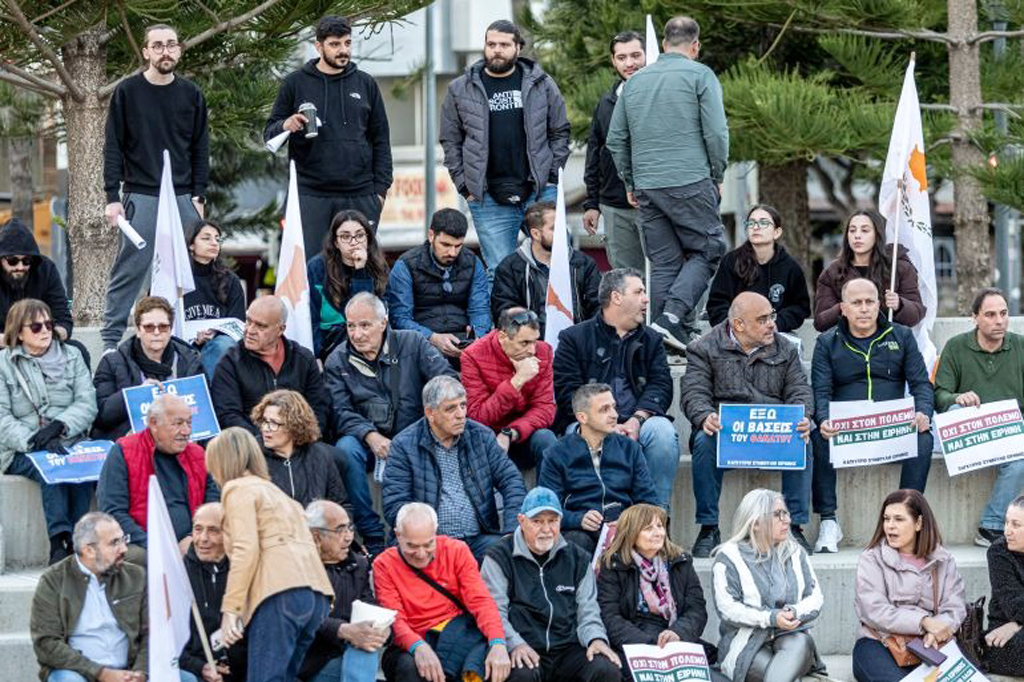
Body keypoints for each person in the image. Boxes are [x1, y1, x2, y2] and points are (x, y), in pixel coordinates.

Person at [605, 16, 728, 352]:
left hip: (647, 185)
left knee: (664, 262)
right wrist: (716, 174)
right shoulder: (701, 74)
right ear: (695, 45)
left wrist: (630, 179)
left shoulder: (634, 83)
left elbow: (616, 140)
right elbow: (716, 133)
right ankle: (670, 318)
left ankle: (658, 342)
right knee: (709, 249)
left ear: (663, 43)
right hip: (690, 179)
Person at [681, 292, 814, 557]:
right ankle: (708, 528)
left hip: (773, 432)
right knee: (704, 441)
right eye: (763, 319)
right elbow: (694, 393)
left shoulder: (785, 347)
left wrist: (805, 416)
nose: (772, 325)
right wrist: (705, 415)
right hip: (730, 433)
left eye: (772, 316)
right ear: (739, 325)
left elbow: (800, 390)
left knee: (803, 437)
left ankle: (794, 525)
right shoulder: (704, 347)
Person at [102, 23, 208, 351]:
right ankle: (109, 340)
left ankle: (185, 337)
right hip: (142, 193)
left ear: (178, 50)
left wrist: (199, 195)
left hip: (182, 196)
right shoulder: (127, 92)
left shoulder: (191, 94)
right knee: (132, 266)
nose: (165, 51)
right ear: (146, 52)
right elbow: (113, 146)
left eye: (171, 44)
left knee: (186, 269)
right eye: (158, 45)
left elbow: (200, 147)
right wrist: (111, 197)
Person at [326, 292, 454, 554]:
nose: (357, 334)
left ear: (383, 322)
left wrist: (423, 429)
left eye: (365, 325)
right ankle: (372, 534)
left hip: (417, 436)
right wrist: (369, 435)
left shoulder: (413, 343)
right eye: (351, 326)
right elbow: (339, 410)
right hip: (368, 443)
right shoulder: (337, 360)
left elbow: (447, 381)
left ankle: (427, 530)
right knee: (345, 449)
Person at [440, 19, 570, 276]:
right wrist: (465, 187)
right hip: (488, 197)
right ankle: (511, 318)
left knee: (557, 264)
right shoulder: (459, 89)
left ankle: (556, 317)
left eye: (504, 44)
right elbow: (450, 141)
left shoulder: (542, 83)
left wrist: (553, 176)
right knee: (501, 272)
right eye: (491, 44)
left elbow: (559, 131)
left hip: (539, 191)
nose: (496, 50)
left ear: (518, 48)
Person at [811, 278, 933, 554]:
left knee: (924, 439)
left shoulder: (901, 336)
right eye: (856, 303)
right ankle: (828, 520)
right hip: (847, 431)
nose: (864, 308)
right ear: (843, 308)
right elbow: (820, 391)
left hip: (890, 429)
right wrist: (823, 419)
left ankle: (906, 516)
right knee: (818, 437)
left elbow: (921, 384)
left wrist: (923, 412)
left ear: (879, 304)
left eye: (869, 302)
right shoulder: (827, 342)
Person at [206, 427, 335, 682]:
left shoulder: (237, 489)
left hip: (280, 594)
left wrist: (230, 610)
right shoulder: (282, 496)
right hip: (316, 596)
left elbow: (246, 549)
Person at [264, 15, 392, 257]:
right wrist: (286, 124)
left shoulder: (366, 84)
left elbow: (381, 140)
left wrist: (380, 193)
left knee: (359, 266)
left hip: (360, 193)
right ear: (319, 46)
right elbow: (269, 134)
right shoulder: (295, 83)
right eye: (335, 44)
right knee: (312, 269)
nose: (343, 50)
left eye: (347, 43)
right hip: (310, 193)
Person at [552, 268, 679, 508]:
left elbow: (661, 385)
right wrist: (605, 424)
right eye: (639, 291)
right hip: (588, 422)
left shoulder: (651, 339)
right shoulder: (574, 338)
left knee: (662, 432)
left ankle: (656, 516)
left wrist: (636, 420)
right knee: (577, 435)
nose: (646, 298)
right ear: (616, 297)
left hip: (638, 422)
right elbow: (568, 393)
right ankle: (591, 517)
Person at [479, 487, 621, 682]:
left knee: (606, 669)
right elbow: (495, 612)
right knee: (521, 675)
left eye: (552, 521)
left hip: (567, 648)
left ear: (561, 521)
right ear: (521, 520)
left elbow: (588, 610)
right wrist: (515, 644)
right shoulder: (499, 557)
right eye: (537, 521)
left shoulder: (578, 558)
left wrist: (595, 639)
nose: (546, 529)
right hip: (524, 646)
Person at [382, 375, 526, 561]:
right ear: (430, 413)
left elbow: (512, 481)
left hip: (478, 539)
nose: (460, 414)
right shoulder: (404, 445)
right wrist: (424, 538)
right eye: (451, 408)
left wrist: (510, 531)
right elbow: (395, 504)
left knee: (510, 554)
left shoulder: (481, 436)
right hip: (429, 543)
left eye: (463, 405)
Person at [0, 298, 97, 564]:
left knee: (79, 464)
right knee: (50, 466)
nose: (45, 331)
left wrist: (60, 426)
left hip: (69, 437)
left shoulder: (73, 355)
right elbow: (2, 417)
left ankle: (78, 539)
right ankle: (59, 541)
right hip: (21, 447)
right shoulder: (3, 363)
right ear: (19, 332)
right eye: (36, 326)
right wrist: (34, 440)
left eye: (49, 324)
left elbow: (87, 401)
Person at [373, 502, 512, 682]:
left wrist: (498, 642)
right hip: (411, 640)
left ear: (435, 532)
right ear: (398, 535)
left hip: (457, 632)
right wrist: (418, 646)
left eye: (428, 544)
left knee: (502, 666)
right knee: (410, 667)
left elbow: (481, 602)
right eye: (412, 546)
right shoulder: (384, 565)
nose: (421, 554)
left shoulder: (457, 551)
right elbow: (395, 620)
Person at [933, 288, 1024, 547]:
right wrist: (957, 397)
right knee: (954, 410)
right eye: (991, 314)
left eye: (1004, 314)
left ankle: (991, 526)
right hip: (971, 428)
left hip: (1010, 429)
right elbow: (940, 395)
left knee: (1019, 462)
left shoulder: (1020, 345)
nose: (999, 321)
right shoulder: (957, 346)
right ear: (974, 317)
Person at [852, 489, 967, 682]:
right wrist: (923, 622)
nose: (890, 526)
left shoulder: (943, 559)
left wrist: (937, 630)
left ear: (919, 523)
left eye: (898, 519)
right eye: (886, 519)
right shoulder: (871, 559)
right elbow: (874, 610)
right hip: (880, 643)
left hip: (931, 645)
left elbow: (955, 606)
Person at [711, 489, 823, 682]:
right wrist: (770, 618)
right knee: (782, 676)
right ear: (755, 523)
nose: (786, 520)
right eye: (778, 515)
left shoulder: (796, 552)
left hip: (791, 637)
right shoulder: (729, 557)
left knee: (800, 642)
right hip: (745, 644)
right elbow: (727, 608)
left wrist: (793, 612)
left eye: (786, 513)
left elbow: (815, 597)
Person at [597, 503, 714, 680]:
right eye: (648, 528)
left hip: (674, 636)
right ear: (631, 533)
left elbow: (696, 609)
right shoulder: (614, 565)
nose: (658, 532)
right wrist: (649, 644)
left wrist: (678, 633)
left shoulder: (680, 561)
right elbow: (609, 617)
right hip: (635, 639)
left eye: (659, 526)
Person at [30, 513, 150, 682]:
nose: (124, 549)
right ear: (89, 550)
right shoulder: (54, 580)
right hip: (79, 672)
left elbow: (151, 634)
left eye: (124, 540)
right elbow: (46, 643)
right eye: (115, 543)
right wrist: (100, 673)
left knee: (185, 678)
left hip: (129, 671)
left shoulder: (136, 576)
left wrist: (140, 673)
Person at [539, 383, 659, 553]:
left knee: (656, 544)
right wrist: (578, 519)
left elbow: (648, 501)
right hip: (580, 531)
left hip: (622, 528)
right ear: (582, 417)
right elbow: (547, 509)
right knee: (574, 542)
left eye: (614, 407)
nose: (615, 415)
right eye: (604, 409)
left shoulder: (629, 448)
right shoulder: (556, 454)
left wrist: (628, 521)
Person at [97, 392, 219, 556]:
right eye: (178, 424)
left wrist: (194, 536)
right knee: (136, 557)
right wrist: (155, 546)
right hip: (141, 543)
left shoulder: (198, 454)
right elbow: (112, 510)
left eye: (189, 423)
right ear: (153, 423)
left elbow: (213, 504)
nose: (186, 431)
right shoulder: (124, 451)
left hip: (193, 541)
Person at [211, 295, 330, 437]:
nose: (250, 330)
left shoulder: (303, 359)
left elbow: (318, 409)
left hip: (299, 444)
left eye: (261, 326)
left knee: (338, 456)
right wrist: (267, 440)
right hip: (253, 448)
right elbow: (228, 416)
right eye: (248, 321)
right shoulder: (229, 362)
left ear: (280, 329)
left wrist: (299, 440)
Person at [386, 208, 491, 364]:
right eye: (446, 244)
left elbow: (480, 309)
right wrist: (432, 337)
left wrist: (477, 335)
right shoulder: (405, 265)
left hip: (464, 342)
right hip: (421, 344)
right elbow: (400, 318)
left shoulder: (473, 263)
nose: (452, 252)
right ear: (431, 236)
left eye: (458, 245)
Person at [92, 295, 203, 440]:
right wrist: (136, 395)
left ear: (170, 330)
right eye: (149, 327)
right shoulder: (112, 362)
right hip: (134, 444)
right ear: (138, 330)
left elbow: (203, 413)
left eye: (163, 327)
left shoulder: (190, 360)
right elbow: (101, 417)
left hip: (182, 442)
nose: (157, 332)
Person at [582, 32, 647, 274]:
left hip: (654, 204)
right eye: (622, 57)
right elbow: (594, 152)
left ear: (648, 56)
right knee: (626, 279)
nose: (629, 63)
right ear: (613, 61)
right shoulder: (606, 103)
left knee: (663, 276)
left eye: (635, 55)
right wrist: (592, 203)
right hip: (614, 207)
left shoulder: (662, 97)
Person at [461, 308, 558, 470]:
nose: (532, 350)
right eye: (525, 343)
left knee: (546, 438)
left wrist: (511, 432)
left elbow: (545, 408)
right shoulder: (473, 356)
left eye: (535, 341)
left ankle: (548, 495)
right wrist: (517, 381)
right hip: (488, 438)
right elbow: (477, 417)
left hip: (524, 433)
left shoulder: (544, 351)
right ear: (502, 337)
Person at [300, 500, 385, 682]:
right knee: (362, 651)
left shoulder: (358, 564)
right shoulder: (298, 567)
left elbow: (367, 604)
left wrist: (380, 628)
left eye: (349, 528)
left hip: (347, 653)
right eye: (340, 530)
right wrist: (343, 630)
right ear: (316, 536)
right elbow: (303, 617)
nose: (348, 537)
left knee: (366, 646)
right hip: (309, 663)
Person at [490, 201, 601, 335]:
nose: (563, 233)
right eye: (554, 228)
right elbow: (506, 312)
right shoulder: (510, 267)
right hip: (531, 345)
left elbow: (598, 306)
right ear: (536, 234)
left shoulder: (583, 263)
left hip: (577, 344)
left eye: (563, 226)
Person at [813, 209, 925, 332]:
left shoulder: (899, 267)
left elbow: (917, 314)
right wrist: (843, 308)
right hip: (846, 345)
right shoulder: (833, 271)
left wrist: (899, 305)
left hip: (889, 343)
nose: (857, 235)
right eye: (852, 230)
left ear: (877, 234)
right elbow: (820, 323)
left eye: (865, 230)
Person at [705, 205, 810, 333]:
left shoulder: (790, 267)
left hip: (774, 334)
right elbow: (717, 304)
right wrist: (734, 329)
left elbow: (800, 307)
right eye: (751, 222)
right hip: (737, 336)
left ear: (777, 232)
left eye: (763, 222)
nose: (756, 227)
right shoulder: (731, 262)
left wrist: (777, 324)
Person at [307, 210, 389, 360]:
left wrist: (361, 271)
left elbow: (366, 314)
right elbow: (311, 317)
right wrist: (318, 355)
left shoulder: (377, 266)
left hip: (370, 345)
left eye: (359, 235)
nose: (353, 242)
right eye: (345, 237)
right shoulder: (317, 267)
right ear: (336, 242)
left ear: (368, 238)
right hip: (330, 348)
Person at [181, 503, 248, 682]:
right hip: (195, 672)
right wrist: (199, 667)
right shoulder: (178, 574)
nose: (203, 538)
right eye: (198, 529)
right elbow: (163, 640)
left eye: (213, 530)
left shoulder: (242, 573)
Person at [251, 389, 346, 507]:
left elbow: (341, 504)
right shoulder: (252, 456)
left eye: (274, 423)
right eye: (264, 421)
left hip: (313, 525)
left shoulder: (319, 455)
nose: (266, 428)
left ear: (294, 426)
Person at [0, 218, 76, 349]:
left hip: (41, 344)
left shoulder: (45, 269)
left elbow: (64, 320)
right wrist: (16, 340)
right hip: (3, 344)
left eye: (27, 260)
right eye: (12, 261)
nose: (20, 266)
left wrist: (47, 336)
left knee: (77, 349)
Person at [183, 221, 246, 378]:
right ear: (191, 244)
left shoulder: (230, 280)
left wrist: (215, 333)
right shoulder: (176, 278)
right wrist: (191, 338)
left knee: (223, 345)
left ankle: (214, 397)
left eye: (217, 239)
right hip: (183, 341)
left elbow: (237, 322)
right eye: (206, 238)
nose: (214, 243)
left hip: (218, 343)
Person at [983, 494, 1024, 675]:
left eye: (1016, 525)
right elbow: (1015, 605)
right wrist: (1016, 624)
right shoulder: (999, 552)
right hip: (1003, 636)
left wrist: (1019, 624)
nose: (1007, 531)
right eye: (1006, 522)